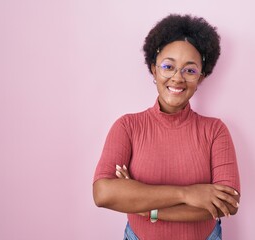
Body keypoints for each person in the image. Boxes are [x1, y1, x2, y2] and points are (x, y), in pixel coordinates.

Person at [93, 14, 240, 240]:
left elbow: (227, 205)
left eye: (189, 70)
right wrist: (189, 193)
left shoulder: (215, 131)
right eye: (168, 66)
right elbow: (103, 193)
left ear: (201, 78)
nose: (177, 78)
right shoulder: (127, 127)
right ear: (154, 70)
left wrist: (142, 205)